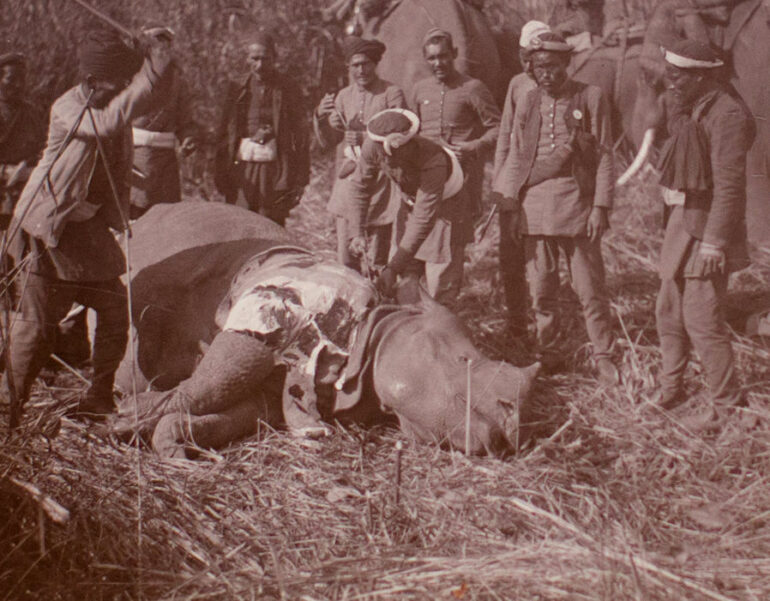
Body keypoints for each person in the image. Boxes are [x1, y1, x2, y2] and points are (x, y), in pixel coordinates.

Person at [4, 28, 172, 422]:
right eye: (115, 83)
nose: (121, 91)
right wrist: (149, 72)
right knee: (36, 328)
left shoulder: (111, 101)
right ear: (92, 79)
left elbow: (141, 101)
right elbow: (109, 122)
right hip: (46, 229)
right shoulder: (69, 107)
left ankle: (99, 396)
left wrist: (156, 52)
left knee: (114, 311)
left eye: (125, 83)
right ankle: (9, 410)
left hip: (86, 231)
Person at [495, 32, 618, 384]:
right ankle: (549, 353)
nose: (545, 74)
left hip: (577, 206)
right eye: (538, 68)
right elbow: (518, 156)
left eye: (551, 66)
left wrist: (600, 206)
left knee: (590, 290)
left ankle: (604, 355)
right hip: (533, 209)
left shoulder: (590, 97)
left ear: (566, 63)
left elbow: (604, 155)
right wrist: (511, 204)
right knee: (542, 291)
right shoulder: (528, 100)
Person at [653, 40, 755, 428]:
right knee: (668, 309)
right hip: (685, 222)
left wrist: (715, 243)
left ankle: (728, 408)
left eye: (677, 76)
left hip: (710, 229)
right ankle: (671, 388)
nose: (670, 82)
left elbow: (730, 187)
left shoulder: (728, 115)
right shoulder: (697, 104)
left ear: (701, 76)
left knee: (701, 318)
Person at [409, 28, 501, 305]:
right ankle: (422, 310)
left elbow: (498, 128)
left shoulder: (472, 88)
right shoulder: (420, 90)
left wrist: (473, 146)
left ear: (455, 54)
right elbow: (411, 131)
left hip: (458, 184)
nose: (438, 63)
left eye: (443, 56)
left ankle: (443, 311)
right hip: (424, 184)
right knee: (418, 246)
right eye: (432, 58)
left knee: (448, 251)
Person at [348, 108, 465, 304]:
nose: (388, 159)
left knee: (439, 285)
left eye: (396, 152)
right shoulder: (372, 146)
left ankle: (438, 317)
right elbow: (360, 187)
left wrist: (393, 268)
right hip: (409, 204)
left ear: (409, 143)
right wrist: (357, 231)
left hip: (446, 210)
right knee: (402, 280)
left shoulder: (433, 160)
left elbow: (424, 218)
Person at [313, 35, 405, 272]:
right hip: (349, 181)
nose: (361, 70)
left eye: (366, 64)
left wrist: (364, 137)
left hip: (381, 182)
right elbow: (328, 142)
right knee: (346, 259)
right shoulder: (343, 96)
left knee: (378, 260)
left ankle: (379, 294)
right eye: (355, 65)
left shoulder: (391, 93)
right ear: (348, 67)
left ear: (375, 64)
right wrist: (323, 118)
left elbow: (402, 133)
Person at [492, 21, 551, 338]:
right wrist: (499, 184)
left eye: (535, 58)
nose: (529, 65)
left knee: (539, 263)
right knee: (510, 258)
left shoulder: (556, 85)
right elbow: (505, 135)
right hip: (513, 185)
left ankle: (545, 330)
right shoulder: (516, 84)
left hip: (542, 186)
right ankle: (516, 324)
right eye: (525, 57)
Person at [215, 32, 309, 226]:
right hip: (243, 168)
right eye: (254, 58)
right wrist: (220, 171)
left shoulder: (288, 88)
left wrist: (300, 178)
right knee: (241, 221)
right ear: (247, 59)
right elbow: (224, 132)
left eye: (265, 59)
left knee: (271, 222)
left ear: (275, 58)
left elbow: (301, 136)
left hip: (275, 170)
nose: (259, 65)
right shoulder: (237, 88)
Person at [129, 25, 198, 219]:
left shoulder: (177, 81)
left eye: (166, 48)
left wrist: (188, 138)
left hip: (167, 162)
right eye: (157, 47)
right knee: (137, 213)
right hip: (136, 158)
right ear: (146, 50)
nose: (163, 52)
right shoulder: (129, 78)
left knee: (167, 216)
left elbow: (186, 121)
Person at [0, 52, 46, 232]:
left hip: (26, 193)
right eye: (11, 79)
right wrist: (7, 171)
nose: (18, 85)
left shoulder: (31, 112)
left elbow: (43, 148)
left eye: (22, 79)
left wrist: (31, 168)